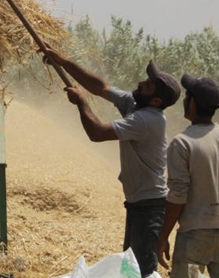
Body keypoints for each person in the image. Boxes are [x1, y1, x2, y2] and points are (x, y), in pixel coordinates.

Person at [41, 44, 181, 278]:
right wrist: (63, 61)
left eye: (147, 85)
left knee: (141, 272)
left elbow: (97, 133)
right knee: (130, 268)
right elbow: (100, 87)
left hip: (149, 207)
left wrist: (81, 103)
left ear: (156, 101)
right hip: (138, 204)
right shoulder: (136, 103)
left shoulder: (147, 120)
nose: (141, 83)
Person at [156, 74, 219, 278]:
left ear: (193, 104)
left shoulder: (183, 143)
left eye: (187, 97)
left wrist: (163, 236)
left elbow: (178, 195)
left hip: (195, 239)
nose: (184, 101)